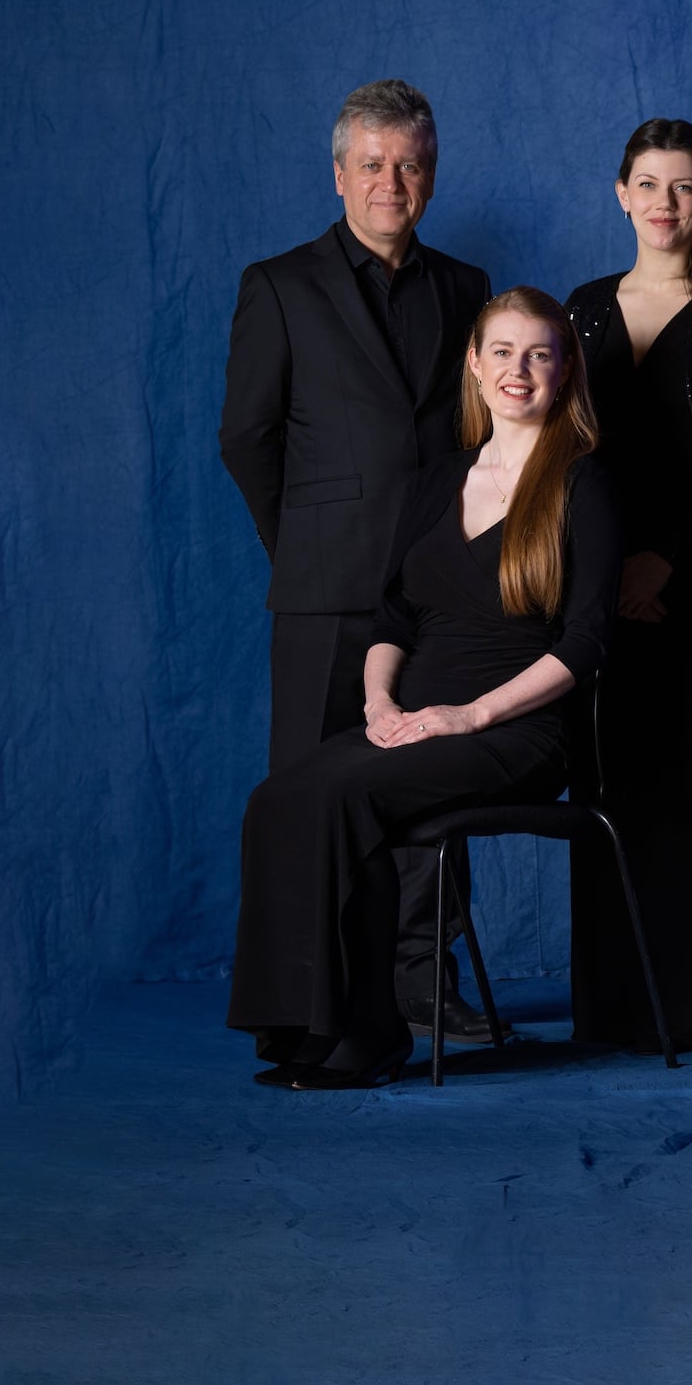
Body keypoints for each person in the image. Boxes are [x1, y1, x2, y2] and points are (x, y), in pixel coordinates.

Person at [230, 289, 622, 1086]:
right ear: (474, 365)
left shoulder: (584, 485)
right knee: (280, 798)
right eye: (502, 352)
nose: (518, 370)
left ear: (565, 370)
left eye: (539, 354)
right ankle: (305, 1028)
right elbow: (394, 617)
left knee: (344, 800)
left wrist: (469, 716)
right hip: (416, 716)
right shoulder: (440, 478)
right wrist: (380, 704)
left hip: (516, 731)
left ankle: (369, 1038)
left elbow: (587, 645)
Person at [219, 78, 498, 1047]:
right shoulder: (279, 286)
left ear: (432, 176)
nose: (392, 182)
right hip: (324, 592)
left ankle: (424, 985)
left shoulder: (464, 288)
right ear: (339, 175)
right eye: (373, 164)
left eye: (410, 165)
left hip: (436, 594)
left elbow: (475, 436)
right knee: (307, 795)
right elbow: (246, 439)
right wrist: (301, 541)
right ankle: (310, 1008)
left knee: (434, 789)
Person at [562, 119, 692, 1051]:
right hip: (598, 591)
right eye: (648, 184)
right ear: (621, 195)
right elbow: (558, 457)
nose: (665, 203)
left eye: (684, 186)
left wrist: (672, 560)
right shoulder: (581, 310)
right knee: (613, 791)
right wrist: (607, 570)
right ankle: (614, 1013)